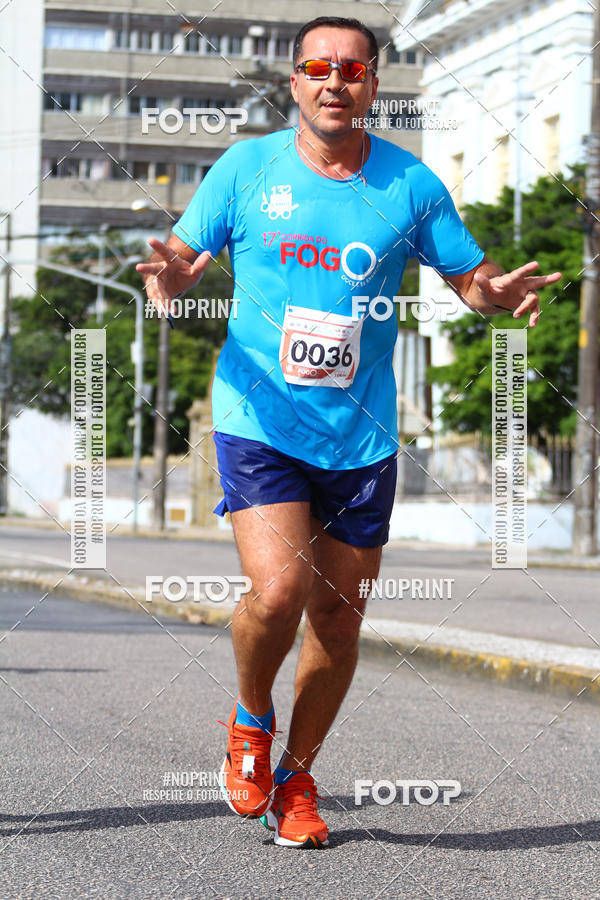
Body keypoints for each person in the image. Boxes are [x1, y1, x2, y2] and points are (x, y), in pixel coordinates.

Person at [137, 16, 561, 849]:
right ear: (295, 82)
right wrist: (177, 272)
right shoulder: (246, 169)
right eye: (317, 67)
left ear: (373, 85)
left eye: (353, 69)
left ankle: (297, 777)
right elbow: (185, 256)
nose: (336, 81)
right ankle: (250, 720)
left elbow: (468, 279)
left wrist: (495, 295)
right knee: (279, 593)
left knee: (337, 622)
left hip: (361, 437)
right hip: (257, 415)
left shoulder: (410, 184)